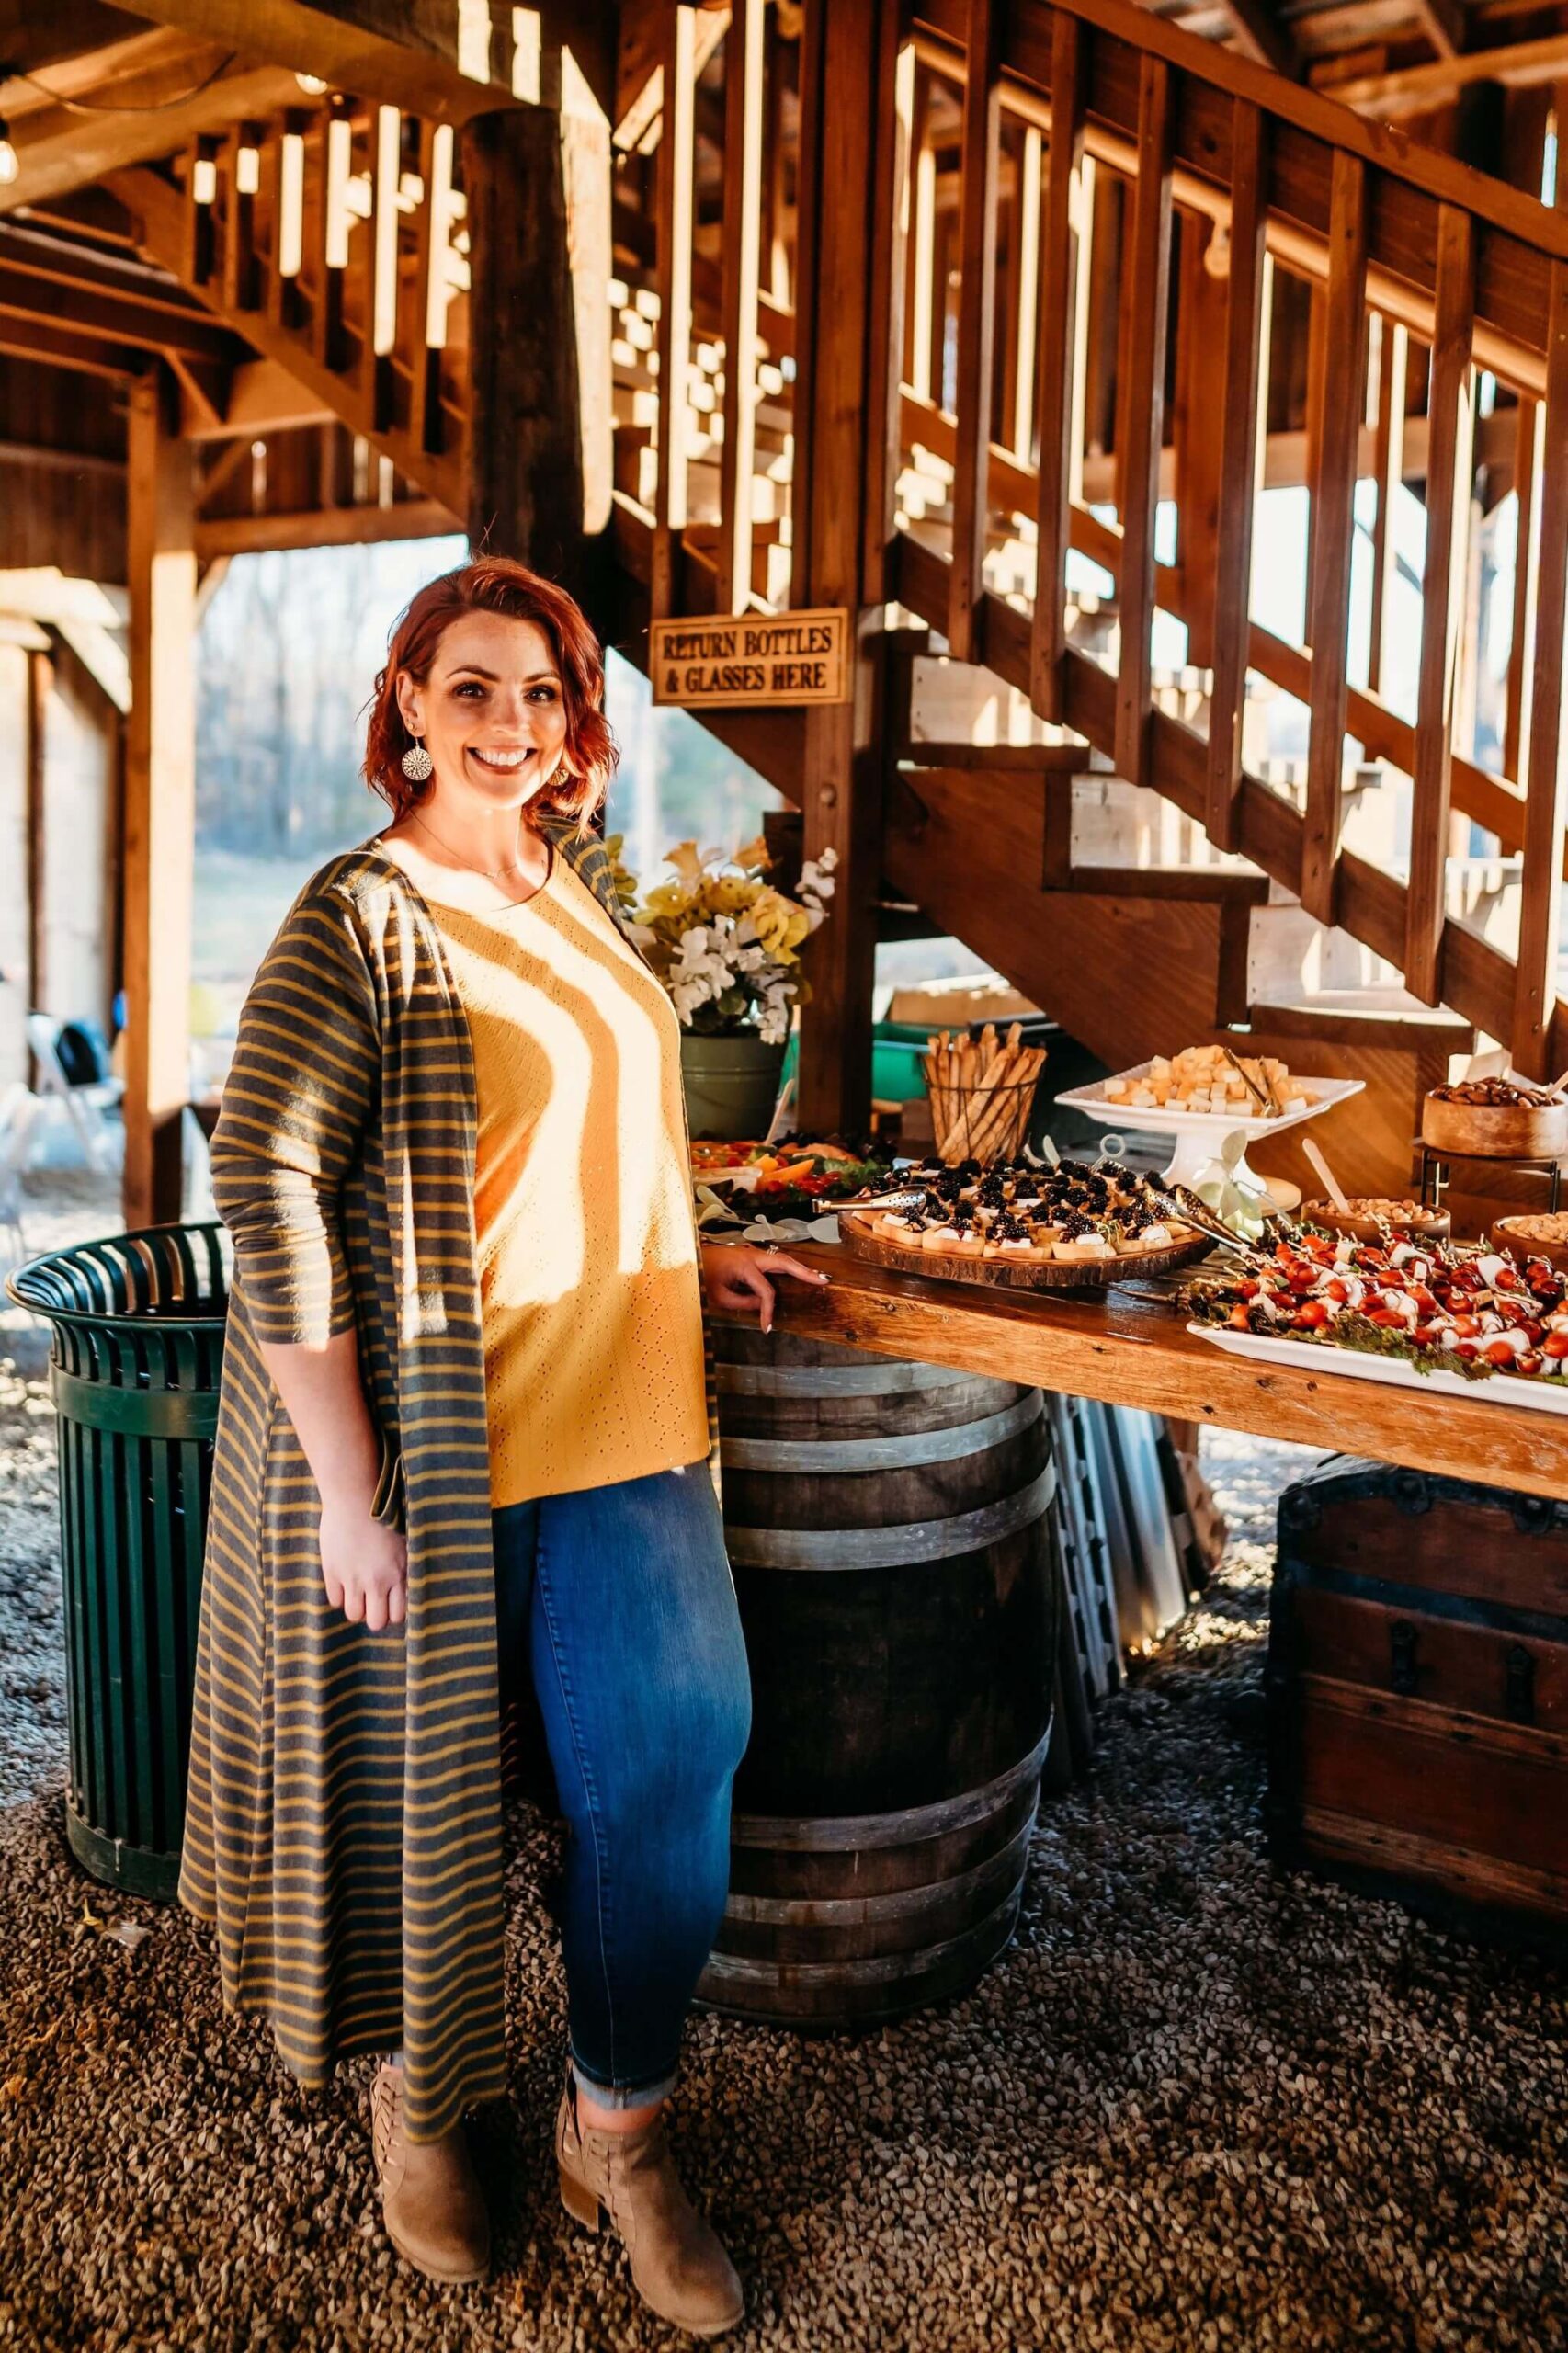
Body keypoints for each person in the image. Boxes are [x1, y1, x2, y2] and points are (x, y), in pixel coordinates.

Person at [178, 555, 827, 2335]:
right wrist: (346, 1483)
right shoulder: (358, 910)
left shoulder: (565, 876)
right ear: (406, 706)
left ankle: (613, 2126)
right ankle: (422, 2098)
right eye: (470, 687)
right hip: (454, 1449)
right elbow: (266, 1181)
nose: (509, 720)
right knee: (426, 1805)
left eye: (539, 690)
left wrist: (688, 1240)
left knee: (678, 1762)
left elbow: (598, 1107)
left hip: (629, 1417)